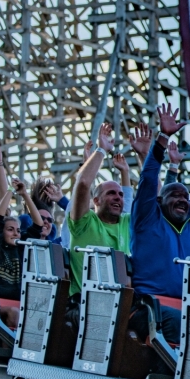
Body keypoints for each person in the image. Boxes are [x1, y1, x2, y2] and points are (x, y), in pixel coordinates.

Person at [128, 105, 190, 343]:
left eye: (186, 197)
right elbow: (148, 178)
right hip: (149, 308)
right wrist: (162, 138)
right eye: (175, 196)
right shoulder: (147, 220)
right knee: (189, 325)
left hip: (187, 309)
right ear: (160, 201)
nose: (183, 199)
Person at [66, 123, 130, 296]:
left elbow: (154, 199)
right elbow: (83, 184)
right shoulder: (84, 223)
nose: (118, 197)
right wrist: (101, 150)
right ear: (96, 200)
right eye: (111, 193)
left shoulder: (127, 222)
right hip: (84, 305)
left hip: (121, 304)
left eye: (120, 194)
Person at [0, 178, 45, 327]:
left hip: (17, 302)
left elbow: (38, 224)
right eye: (10, 230)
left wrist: (24, 194)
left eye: (18, 231)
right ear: (0, 232)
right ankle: (7, 351)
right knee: (15, 314)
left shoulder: (21, 248)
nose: (16, 234)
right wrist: (10, 190)